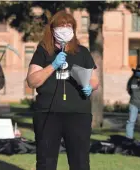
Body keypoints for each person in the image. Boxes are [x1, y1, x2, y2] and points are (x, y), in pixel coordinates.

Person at [26, 11, 99, 170]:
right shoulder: (43, 51)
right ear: (53, 29)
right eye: (61, 25)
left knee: (80, 162)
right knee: (46, 162)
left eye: (69, 26)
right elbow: (32, 81)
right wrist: (52, 66)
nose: (66, 29)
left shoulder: (82, 52)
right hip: (48, 114)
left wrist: (90, 86)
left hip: (78, 114)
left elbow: (94, 79)